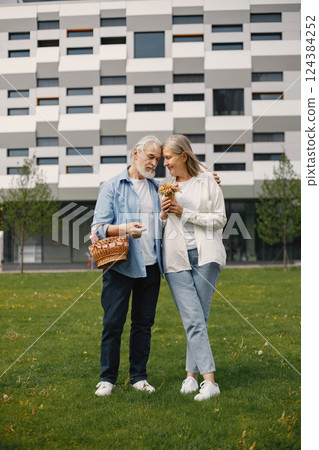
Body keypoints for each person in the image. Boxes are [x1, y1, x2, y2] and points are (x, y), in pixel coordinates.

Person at [91, 135, 163, 396]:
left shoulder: (158, 188)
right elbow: (97, 229)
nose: (155, 163)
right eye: (151, 157)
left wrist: (212, 180)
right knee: (113, 323)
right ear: (136, 154)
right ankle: (107, 378)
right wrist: (123, 229)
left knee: (143, 325)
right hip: (120, 267)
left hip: (151, 267)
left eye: (158, 159)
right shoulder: (112, 186)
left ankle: (138, 377)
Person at [160, 134, 227, 401]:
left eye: (168, 158)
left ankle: (199, 379)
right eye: (163, 158)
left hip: (205, 257)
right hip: (176, 260)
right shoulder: (164, 187)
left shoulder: (207, 181)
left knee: (198, 318)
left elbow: (220, 219)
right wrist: (163, 215)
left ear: (183, 156)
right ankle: (199, 378)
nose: (165, 163)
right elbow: (162, 225)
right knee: (193, 317)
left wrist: (183, 213)